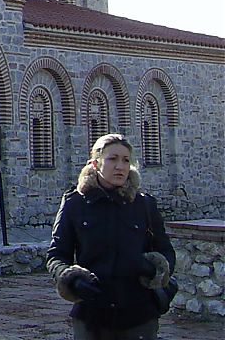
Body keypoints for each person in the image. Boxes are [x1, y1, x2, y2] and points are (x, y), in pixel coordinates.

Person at [47, 133, 175, 339]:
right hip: (92, 315)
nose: (120, 167)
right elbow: (56, 255)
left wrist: (153, 268)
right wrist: (72, 281)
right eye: (112, 159)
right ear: (95, 164)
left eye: (126, 160)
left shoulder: (144, 205)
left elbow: (166, 251)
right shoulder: (75, 204)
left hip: (139, 314)